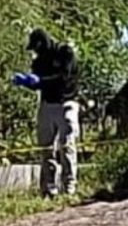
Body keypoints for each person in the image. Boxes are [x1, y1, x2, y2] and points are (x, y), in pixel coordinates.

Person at [13, 28, 80, 198]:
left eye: (36, 47)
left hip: (66, 103)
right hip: (47, 105)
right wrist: (27, 82)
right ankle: (49, 188)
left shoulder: (65, 53)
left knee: (67, 145)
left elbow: (63, 78)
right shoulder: (39, 62)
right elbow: (38, 83)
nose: (35, 52)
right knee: (46, 148)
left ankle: (69, 186)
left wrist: (41, 81)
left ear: (42, 43)